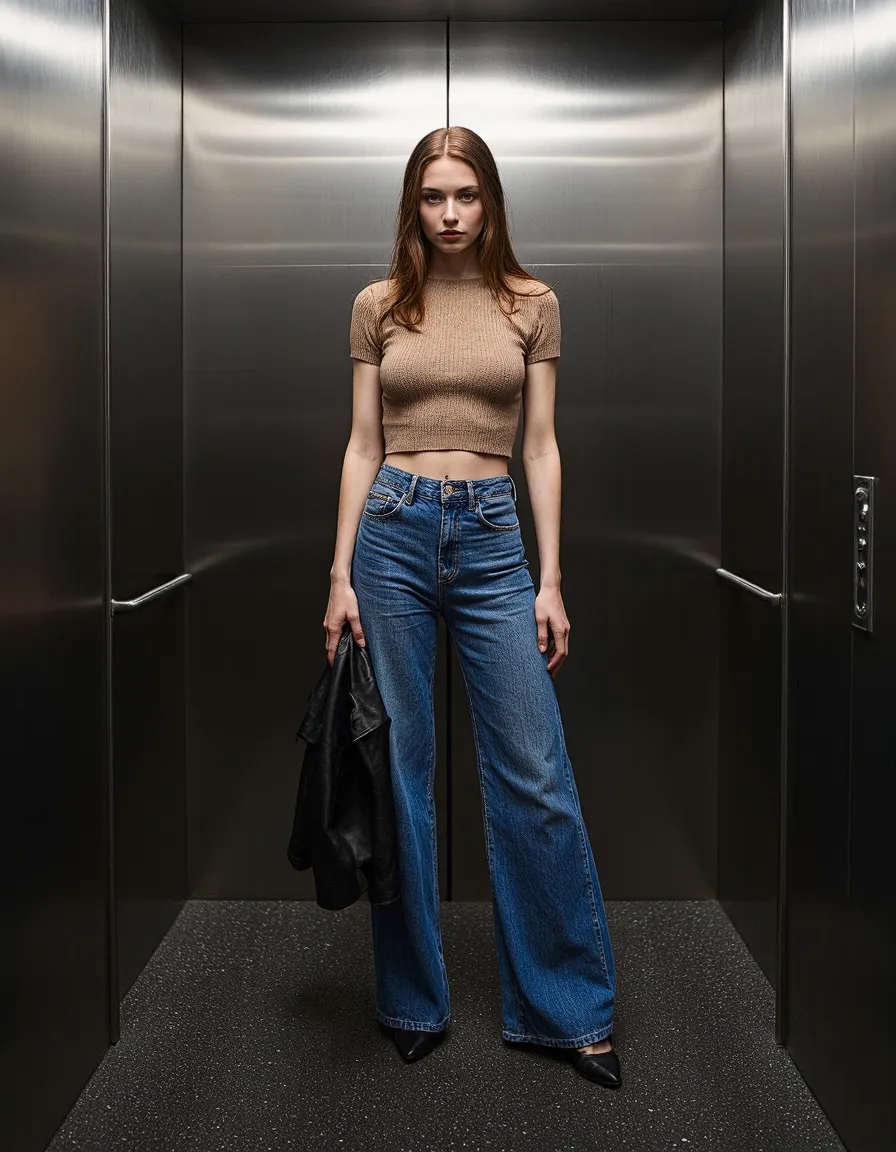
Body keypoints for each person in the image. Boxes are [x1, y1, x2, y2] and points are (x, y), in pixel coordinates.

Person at [323, 126, 621, 1090]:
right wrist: (338, 576)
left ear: (491, 201)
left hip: (493, 538)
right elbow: (361, 446)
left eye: (466, 196)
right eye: (431, 197)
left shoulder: (531, 305)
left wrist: (551, 576)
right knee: (399, 770)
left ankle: (568, 1009)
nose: (450, 214)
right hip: (394, 532)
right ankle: (412, 999)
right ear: (412, 205)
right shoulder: (378, 306)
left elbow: (540, 444)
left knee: (534, 772)